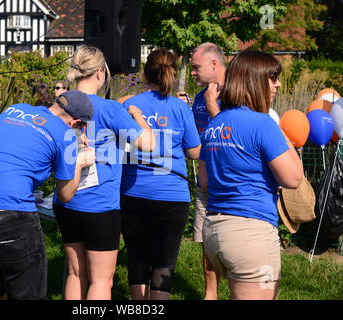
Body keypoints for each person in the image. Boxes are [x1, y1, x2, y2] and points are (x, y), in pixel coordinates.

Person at [0, 90, 96, 300]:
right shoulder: (66, 134)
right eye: (82, 126)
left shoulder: (14, 109)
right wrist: (79, 161)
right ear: (76, 122)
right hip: (12, 214)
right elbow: (66, 194)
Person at [198, 50, 303, 300]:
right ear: (253, 80)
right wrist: (283, 135)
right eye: (273, 77)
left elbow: (204, 183)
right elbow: (294, 178)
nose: (277, 84)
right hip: (249, 234)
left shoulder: (215, 123)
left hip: (215, 230)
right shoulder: (263, 123)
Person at [52, 45, 155, 300]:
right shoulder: (112, 110)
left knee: (75, 274)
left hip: (65, 198)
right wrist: (136, 114)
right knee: (101, 281)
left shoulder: (60, 104)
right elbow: (149, 145)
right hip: (100, 206)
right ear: (100, 73)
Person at [120, 48, 202, 300]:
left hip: (133, 191)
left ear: (145, 74)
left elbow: (118, 142)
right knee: (164, 262)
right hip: (171, 196)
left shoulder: (129, 104)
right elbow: (195, 152)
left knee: (137, 258)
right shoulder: (180, 108)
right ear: (173, 75)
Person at [177, 42, 226, 300]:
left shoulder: (236, 93)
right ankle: (211, 294)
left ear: (214, 64)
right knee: (207, 242)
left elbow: (235, 137)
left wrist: (213, 108)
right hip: (205, 184)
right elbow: (195, 141)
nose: (192, 72)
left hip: (232, 185)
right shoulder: (198, 99)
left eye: (196, 67)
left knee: (233, 242)